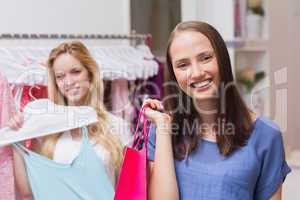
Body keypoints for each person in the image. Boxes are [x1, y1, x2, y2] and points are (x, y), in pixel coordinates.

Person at [144, 21, 291, 200]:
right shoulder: (161, 132)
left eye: (205, 58)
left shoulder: (266, 135)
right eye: (183, 65)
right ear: (174, 74)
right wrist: (163, 128)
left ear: (222, 58)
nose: (196, 72)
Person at [8, 41, 131, 200]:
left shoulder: (116, 126)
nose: (68, 82)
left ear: (90, 73)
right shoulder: (48, 130)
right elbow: (29, 193)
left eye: (75, 72)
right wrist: (18, 136)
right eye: (60, 76)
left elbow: (130, 192)